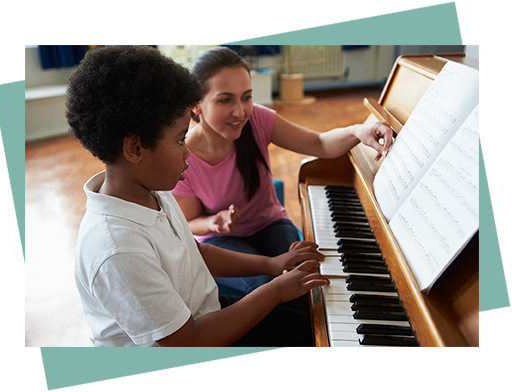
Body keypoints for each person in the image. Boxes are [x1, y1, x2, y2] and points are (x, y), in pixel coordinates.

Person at [67, 45, 329, 347]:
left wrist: (271, 265)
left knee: (313, 319)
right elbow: (188, 343)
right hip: (192, 344)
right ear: (134, 148)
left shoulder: (148, 190)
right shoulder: (117, 249)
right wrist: (275, 290)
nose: (188, 150)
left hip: (206, 312)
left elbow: (194, 253)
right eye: (180, 139)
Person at [172, 46, 393, 295]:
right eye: (225, 99)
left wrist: (356, 131)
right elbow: (190, 223)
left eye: (246, 96)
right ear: (196, 105)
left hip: (270, 224)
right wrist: (214, 221)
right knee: (266, 288)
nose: (240, 111)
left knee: (306, 273)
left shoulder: (258, 119)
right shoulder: (183, 156)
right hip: (220, 240)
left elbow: (319, 143)